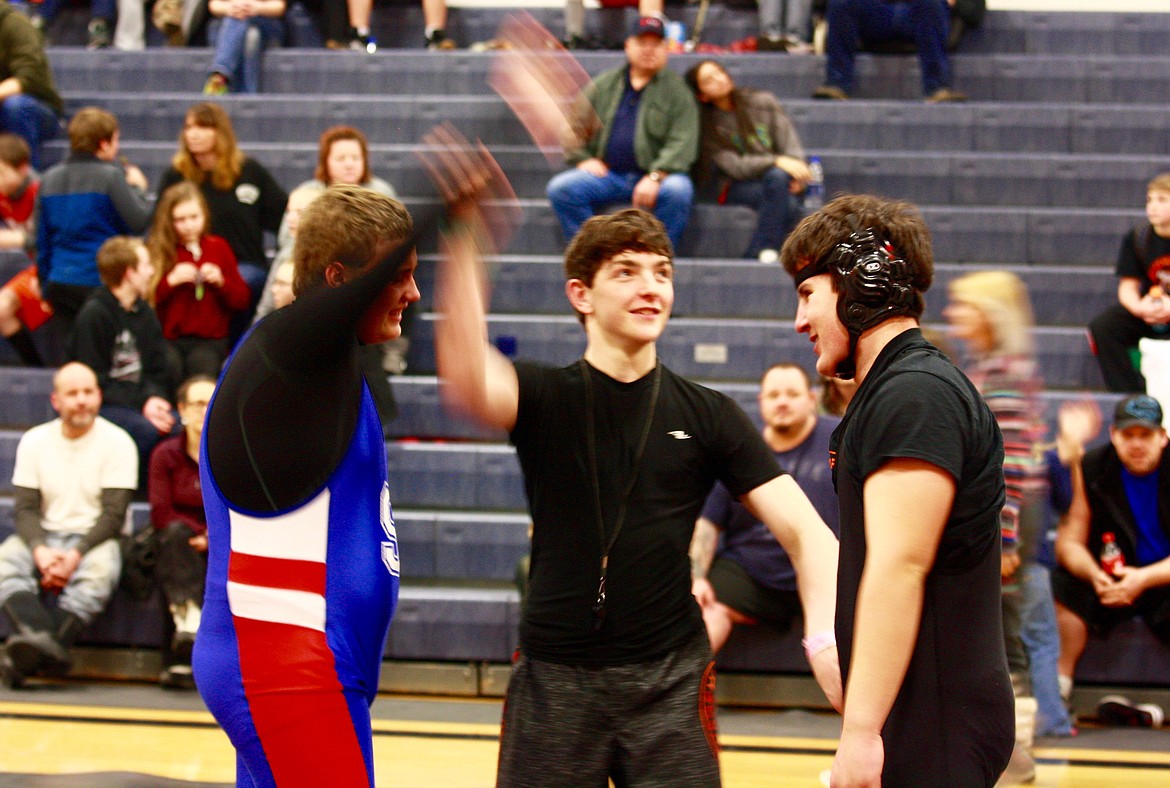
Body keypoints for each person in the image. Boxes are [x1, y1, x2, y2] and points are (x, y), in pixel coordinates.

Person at [431, 125, 840, 781]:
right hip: (555, 677)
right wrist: (468, 236)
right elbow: (466, 375)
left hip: (669, 679)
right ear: (581, 295)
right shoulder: (544, 394)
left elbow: (809, 534)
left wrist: (824, 641)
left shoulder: (708, 413)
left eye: (662, 272)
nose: (651, 285)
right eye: (626, 272)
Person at [781, 193, 1013, 784]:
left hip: (935, 723)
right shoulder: (895, 391)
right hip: (922, 713)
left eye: (808, 294)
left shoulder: (916, 396)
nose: (799, 321)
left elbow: (899, 567)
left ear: (865, 281)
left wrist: (861, 733)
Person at [193, 184, 418, 786]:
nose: (413, 294)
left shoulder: (336, 367)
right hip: (283, 669)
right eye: (399, 276)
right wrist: (453, 204)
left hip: (304, 669)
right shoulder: (285, 357)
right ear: (339, 279)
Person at [944, 270, 1053, 778]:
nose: (953, 315)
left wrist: (1005, 540)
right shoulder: (993, 367)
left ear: (989, 315)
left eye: (963, 306)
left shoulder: (1003, 375)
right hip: (1003, 527)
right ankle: (1009, 755)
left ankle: (1015, 755)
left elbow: (1011, 465)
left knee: (1004, 643)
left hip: (1004, 530)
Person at [0, 362, 138, 689]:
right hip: (44, 535)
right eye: (72, 393)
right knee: (4, 562)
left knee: (100, 572)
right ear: (55, 400)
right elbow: (26, 509)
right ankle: (48, 642)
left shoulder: (119, 442)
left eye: (88, 392)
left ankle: (31, 650)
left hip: (94, 539)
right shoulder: (34, 441)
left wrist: (75, 554)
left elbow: (113, 516)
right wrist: (40, 551)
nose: (81, 400)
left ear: (99, 396)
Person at [691, 362, 840, 654]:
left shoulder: (840, 440)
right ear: (761, 403)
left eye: (792, 394)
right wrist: (695, 578)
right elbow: (708, 525)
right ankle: (679, 690)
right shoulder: (740, 449)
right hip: (754, 573)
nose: (782, 402)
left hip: (824, 571)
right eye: (773, 396)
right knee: (705, 608)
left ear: (812, 399)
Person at [1053, 394, 1170, 725]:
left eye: (1145, 435)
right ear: (1114, 435)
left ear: (1162, 437)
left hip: (1162, 579)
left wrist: (1144, 578)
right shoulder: (1092, 467)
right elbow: (1070, 541)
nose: (1136, 444)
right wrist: (1094, 575)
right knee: (1064, 584)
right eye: (1128, 435)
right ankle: (1059, 690)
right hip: (1111, 579)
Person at [546, 15, 698, 251]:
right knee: (562, 188)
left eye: (656, 44)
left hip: (659, 175)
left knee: (679, 190)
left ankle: (661, 259)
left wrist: (657, 175)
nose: (649, 49)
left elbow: (683, 140)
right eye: (642, 42)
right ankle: (593, 256)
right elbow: (573, 127)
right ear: (628, 46)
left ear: (665, 49)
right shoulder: (603, 84)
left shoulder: (678, 92)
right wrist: (583, 158)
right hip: (609, 176)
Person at [157, 102, 287, 324]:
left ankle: (235, 352)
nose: (193, 134)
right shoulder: (176, 175)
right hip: (187, 263)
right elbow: (159, 226)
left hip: (242, 264)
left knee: (241, 284)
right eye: (188, 127)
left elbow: (283, 218)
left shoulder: (249, 171)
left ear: (220, 132)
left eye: (202, 127)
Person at [35, 107, 152, 351]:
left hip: (59, 283)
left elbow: (41, 242)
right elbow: (138, 222)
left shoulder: (48, 179)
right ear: (104, 143)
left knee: (71, 359)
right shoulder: (110, 177)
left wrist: (46, 286)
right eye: (116, 140)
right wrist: (139, 189)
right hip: (99, 282)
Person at [69, 236, 176, 488]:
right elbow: (94, 381)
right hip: (105, 404)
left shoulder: (144, 313)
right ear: (130, 273)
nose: (151, 271)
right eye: (146, 265)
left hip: (139, 402)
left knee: (181, 429)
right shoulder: (94, 315)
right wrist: (143, 404)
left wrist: (153, 399)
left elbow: (157, 369)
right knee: (145, 431)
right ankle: (126, 495)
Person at [685, 59, 811, 263]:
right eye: (709, 80)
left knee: (782, 189)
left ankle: (757, 253)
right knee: (784, 195)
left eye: (719, 72)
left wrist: (796, 172)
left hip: (775, 180)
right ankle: (767, 249)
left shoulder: (762, 101)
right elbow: (735, 167)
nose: (719, 79)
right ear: (702, 94)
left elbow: (788, 141)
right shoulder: (706, 125)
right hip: (733, 185)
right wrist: (776, 161)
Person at [148, 374, 216, 689]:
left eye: (211, 403)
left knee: (177, 549)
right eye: (198, 403)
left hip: (221, 541)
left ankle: (186, 640)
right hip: (179, 542)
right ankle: (183, 638)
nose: (205, 411)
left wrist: (209, 537)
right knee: (173, 540)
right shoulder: (165, 454)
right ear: (182, 409)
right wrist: (198, 536)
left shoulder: (231, 455)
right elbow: (161, 513)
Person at [147, 182, 251, 381]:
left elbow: (241, 300)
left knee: (202, 369)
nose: (188, 225)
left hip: (210, 341)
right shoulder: (159, 251)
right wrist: (170, 281)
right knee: (169, 367)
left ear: (204, 215)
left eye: (194, 217)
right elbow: (146, 300)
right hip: (169, 339)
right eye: (180, 219)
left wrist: (221, 282)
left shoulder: (218, 247)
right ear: (169, 221)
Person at [1088, 173, 1170, 394]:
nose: (1152, 207)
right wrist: (1139, 308)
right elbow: (1127, 286)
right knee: (1105, 326)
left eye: (1162, 200)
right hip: (1152, 310)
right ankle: (1128, 395)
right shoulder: (1139, 237)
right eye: (1149, 200)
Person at [812, 0, 966, 102]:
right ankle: (837, 84)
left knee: (932, 3)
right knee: (842, 3)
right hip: (873, 11)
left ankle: (937, 88)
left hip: (918, 12)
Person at [0, 133, 47, 366]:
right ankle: (34, 368)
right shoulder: (3, 194)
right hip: (38, 269)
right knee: (2, 309)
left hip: (56, 267)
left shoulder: (42, 191)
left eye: (1, 173)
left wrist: (17, 238)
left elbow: (47, 240)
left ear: (23, 169)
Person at [0, 1, 64, 170]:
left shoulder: (15, 24)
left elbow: (28, 77)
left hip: (36, 107)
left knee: (16, 106)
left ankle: (26, 184)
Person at [203, 0, 287, 95]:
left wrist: (257, 8)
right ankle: (248, 94)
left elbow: (279, 7)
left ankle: (220, 73)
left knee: (242, 25)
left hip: (266, 24)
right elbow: (214, 5)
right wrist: (230, 8)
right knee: (251, 35)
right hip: (230, 22)